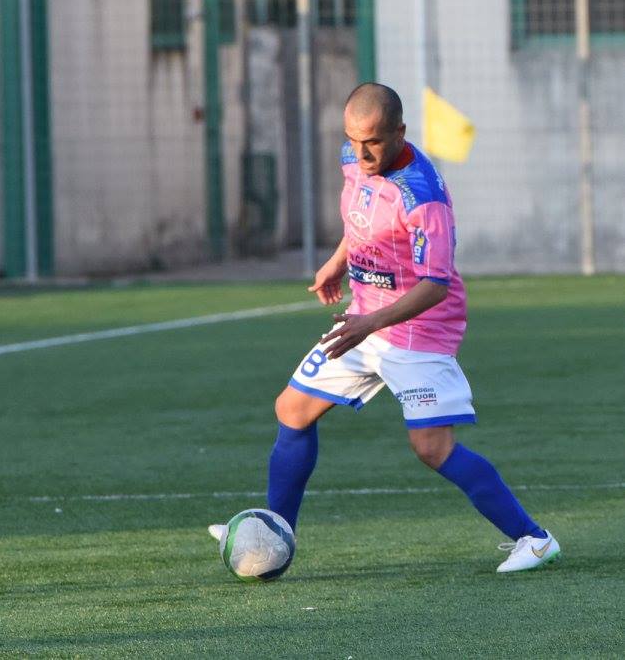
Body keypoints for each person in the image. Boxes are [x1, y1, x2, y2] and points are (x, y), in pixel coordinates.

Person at [210, 83, 558, 573]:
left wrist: (368, 323)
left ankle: (535, 539)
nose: (361, 153)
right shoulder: (352, 160)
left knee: (432, 448)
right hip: (365, 318)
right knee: (293, 409)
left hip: (419, 329)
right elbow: (360, 223)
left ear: (399, 132)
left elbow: (436, 285)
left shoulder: (422, 196)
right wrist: (337, 262)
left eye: (372, 141)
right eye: (353, 139)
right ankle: (276, 534)